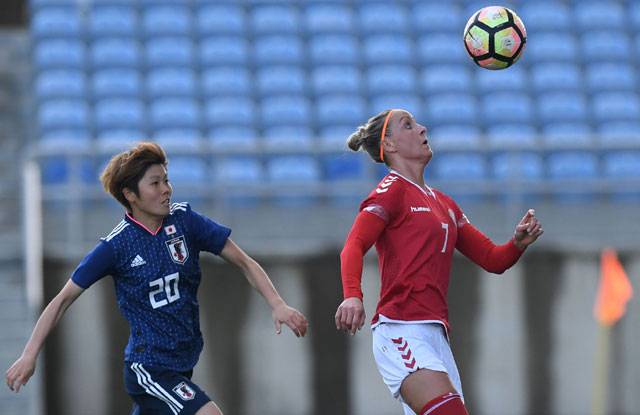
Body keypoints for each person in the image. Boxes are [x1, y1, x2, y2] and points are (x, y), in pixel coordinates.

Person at [6, 142, 308, 415]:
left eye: (166, 180)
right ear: (130, 195)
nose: (166, 189)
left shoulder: (185, 221)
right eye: (155, 183)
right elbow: (61, 301)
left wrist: (277, 304)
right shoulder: (115, 247)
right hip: (148, 367)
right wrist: (29, 355)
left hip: (183, 362)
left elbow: (244, 261)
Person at [334, 109, 543, 415]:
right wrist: (353, 294)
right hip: (401, 331)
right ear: (389, 145)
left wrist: (517, 244)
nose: (422, 128)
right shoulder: (389, 192)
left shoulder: (444, 202)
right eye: (408, 125)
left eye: (417, 123)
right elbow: (353, 245)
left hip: (436, 337)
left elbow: (492, 259)